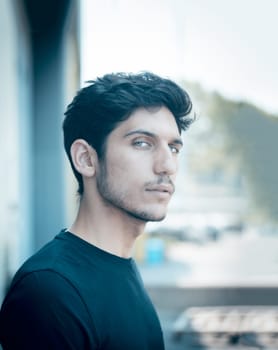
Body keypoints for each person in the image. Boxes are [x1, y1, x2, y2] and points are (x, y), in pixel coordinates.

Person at [0, 71, 193, 349]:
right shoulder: (50, 292)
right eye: (142, 143)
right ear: (86, 159)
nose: (167, 165)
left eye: (173, 148)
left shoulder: (118, 265)